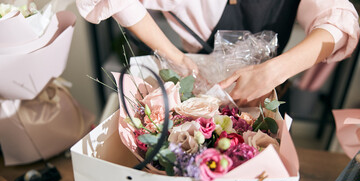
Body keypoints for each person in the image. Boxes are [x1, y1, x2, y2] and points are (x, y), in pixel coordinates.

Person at [76, 0, 359, 106]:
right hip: (196, 94)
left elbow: (340, 21)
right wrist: (175, 56)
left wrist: (272, 72)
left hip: (262, 99)